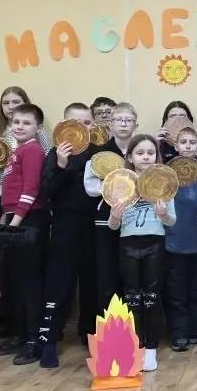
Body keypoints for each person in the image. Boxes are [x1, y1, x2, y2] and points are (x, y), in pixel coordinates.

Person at [0, 86, 51, 352]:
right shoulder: (16, 151)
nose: (20, 126)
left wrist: (15, 222)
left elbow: (30, 189)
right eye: (16, 122)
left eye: (26, 123)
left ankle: (33, 339)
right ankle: (19, 335)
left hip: (29, 220)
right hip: (14, 217)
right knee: (13, 277)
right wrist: (6, 215)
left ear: (38, 128)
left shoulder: (33, 150)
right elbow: (9, 190)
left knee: (28, 279)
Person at [35, 103, 100, 368]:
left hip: (94, 226)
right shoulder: (55, 153)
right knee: (59, 283)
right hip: (65, 226)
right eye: (76, 122)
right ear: (64, 125)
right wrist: (61, 165)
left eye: (87, 122)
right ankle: (49, 340)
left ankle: (91, 334)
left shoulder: (98, 154)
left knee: (93, 282)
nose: (82, 127)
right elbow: (46, 192)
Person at [106, 135, 175, 372]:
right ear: (130, 157)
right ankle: (137, 346)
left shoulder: (164, 183)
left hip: (155, 244)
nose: (145, 157)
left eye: (150, 153)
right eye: (140, 153)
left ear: (157, 156)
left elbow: (171, 221)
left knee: (152, 297)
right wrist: (114, 216)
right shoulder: (120, 184)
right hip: (128, 245)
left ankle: (151, 349)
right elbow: (113, 227)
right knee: (132, 297)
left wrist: (163, 214)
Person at [80, 102, 136, 338]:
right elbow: (90, 187)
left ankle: (132, 333)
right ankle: (107, 335)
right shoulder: (98, 154)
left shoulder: (141, 151)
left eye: (128, 120)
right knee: (107, 277)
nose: (123, 124)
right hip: (105, 222)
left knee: (132, 277)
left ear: (135, 125)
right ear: (110, 124)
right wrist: (117, 185)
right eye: (118, 120)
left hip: (135, 223)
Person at [164, 127, 197, 351]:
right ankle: (179, 334)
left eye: (192, 142)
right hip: (175, 242)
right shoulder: (166, 174)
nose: (187, 145)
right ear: (176, 146)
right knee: (177, 292)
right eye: (183, 142)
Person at [156, 100, 197, 172]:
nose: (177, 120)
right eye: (172, 116)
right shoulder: (159, 143)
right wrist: (156, 145)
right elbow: (154, 172)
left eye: (182, 116)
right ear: (165, 120)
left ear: (189, 119)